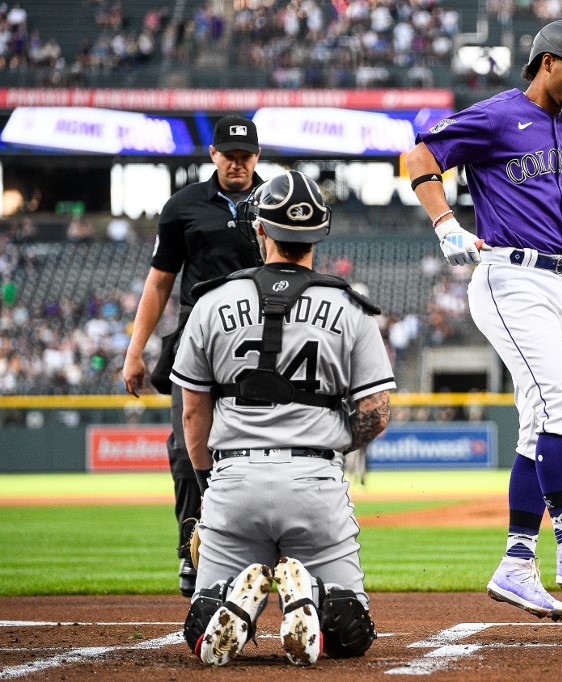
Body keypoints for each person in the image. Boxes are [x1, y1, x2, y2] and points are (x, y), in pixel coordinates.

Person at [405, 19, 562, 623]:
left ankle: (516, 563)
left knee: (539, 424)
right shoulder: (500, 115)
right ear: (548, 61)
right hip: (511, 277)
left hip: (559, 282)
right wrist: (444, 222)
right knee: (561, 404)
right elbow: (421, 154)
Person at [171, 170, 393, 667]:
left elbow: (191, 414)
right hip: (314, 479)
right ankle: (310, 595)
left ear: (259, 231)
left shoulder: (210, 302)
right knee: (351, 632)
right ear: (319, 233)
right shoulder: (350, 307)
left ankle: (233, 604)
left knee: (200, 629)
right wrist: (328, 439)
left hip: (233, 480)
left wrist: (210, 488)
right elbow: (376, 415)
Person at [122, 115, 266, 598]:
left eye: (245, 156)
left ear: (257, 157)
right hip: (197, 342)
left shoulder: (277, 201)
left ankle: (262, 553)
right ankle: (191, 549)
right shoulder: (182, 206)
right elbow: (160, 281)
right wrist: (134, 350)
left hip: (260, 344)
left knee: (262, 450)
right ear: (213, 155)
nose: (237, 164)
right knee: (186, 452)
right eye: (229, 155)